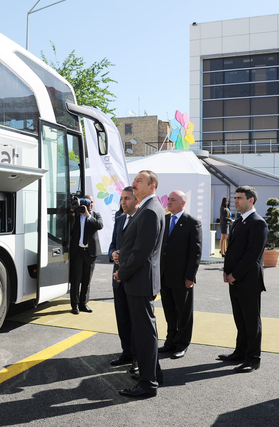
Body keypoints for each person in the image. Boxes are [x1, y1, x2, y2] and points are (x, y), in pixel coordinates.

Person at [114, 170, 165, 398]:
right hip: (138, 280)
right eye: (134, 180)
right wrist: (120, 257)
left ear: (152, 186)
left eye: (139, 181)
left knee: (144, 334)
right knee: (146, 332)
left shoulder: (150, 211)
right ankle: (153, 374)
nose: (134, 184)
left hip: (139, 281)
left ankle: (148, 384)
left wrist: (121, 273)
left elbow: (141, 253)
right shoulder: (146, 209)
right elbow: (134, 247)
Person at [218, 185, 268, 374]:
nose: (235, 201)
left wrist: (235, 274)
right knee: (240, 319)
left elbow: (252, 255)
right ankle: (240, 352)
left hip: (248, 281)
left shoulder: (258, 223)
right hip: (235, 280)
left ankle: (253, 359)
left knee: (251, 321)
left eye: (239, 198)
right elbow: (232, 251)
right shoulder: (239, 221)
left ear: (251, 200)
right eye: (235, 197)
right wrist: (226, 271)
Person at [159, 190, 202, 359]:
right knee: (169, 311)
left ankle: (182, 344)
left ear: (183, 203)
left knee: (183, 312)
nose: (168, 202)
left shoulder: (192, 222)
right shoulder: (165, 219)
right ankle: (170, 341)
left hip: (182, 277)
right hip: (164, 276)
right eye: (168, 199)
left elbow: (195, 252)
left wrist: (190, 277)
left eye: (173, 200)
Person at [108, 187, 138, 370]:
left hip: (134, 279)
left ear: (136, 200)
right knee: (122, 319)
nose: (123, 202)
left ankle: (137, 357)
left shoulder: (142, 219)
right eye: (121, 199)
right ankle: (126, 352)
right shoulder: (119, 220)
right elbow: (112, 244)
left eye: (127, 198)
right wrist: (113, 253)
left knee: (136, 321)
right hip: (117, 279)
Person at [69, 194, 103, 315]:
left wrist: (88, 216)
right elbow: (69, 228)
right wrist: (73, 213)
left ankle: (83, 303)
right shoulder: (76, 215)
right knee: (76, 279)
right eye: (88, 201)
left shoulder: (95, 215)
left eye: (92, 201)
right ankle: (75, 305)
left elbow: (100, 225)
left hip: (90, 253)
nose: (90, 204)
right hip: (77, 252)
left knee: (87, 280)